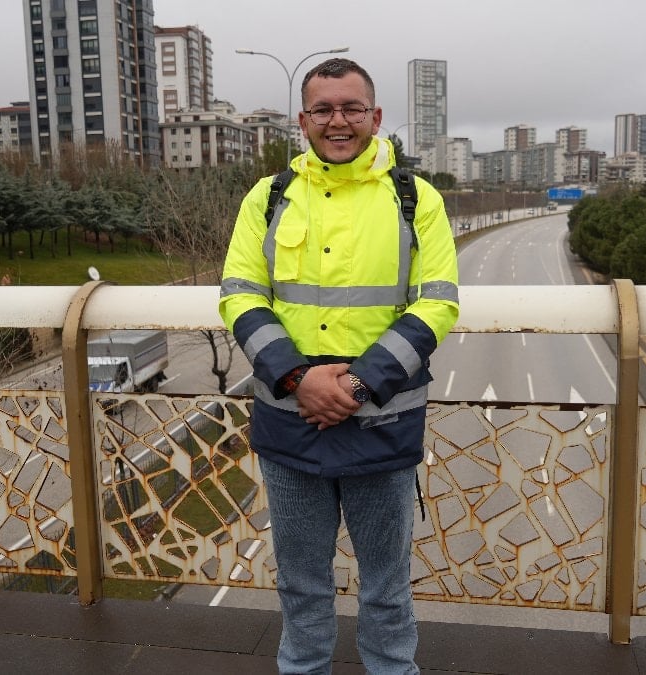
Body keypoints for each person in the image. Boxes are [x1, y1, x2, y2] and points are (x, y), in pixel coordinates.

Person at [219, 58, 459, 674]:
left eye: (352, 108)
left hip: (380, 424)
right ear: (303, 121)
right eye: (324, 109)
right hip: (290, 423)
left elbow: (437, 303)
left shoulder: (415, 198)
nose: (339, 121)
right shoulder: (269, 197)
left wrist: (354, 383)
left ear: (376, 118)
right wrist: (301, 380)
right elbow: (239, 294)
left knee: (385, 589)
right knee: (301, 586)